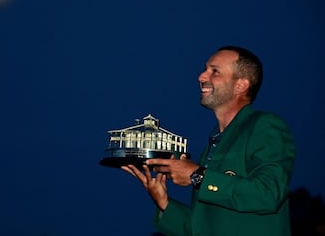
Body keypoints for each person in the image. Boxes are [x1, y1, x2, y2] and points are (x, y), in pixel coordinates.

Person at [122, 46, 296, 236]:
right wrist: (164, 202)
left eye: (215, 71)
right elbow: (201, 229)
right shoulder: (213, 146)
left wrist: (197, 176)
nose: (201, 77)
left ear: (240, 85)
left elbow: (269, 194)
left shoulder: (264, 126)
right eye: (206, 69)